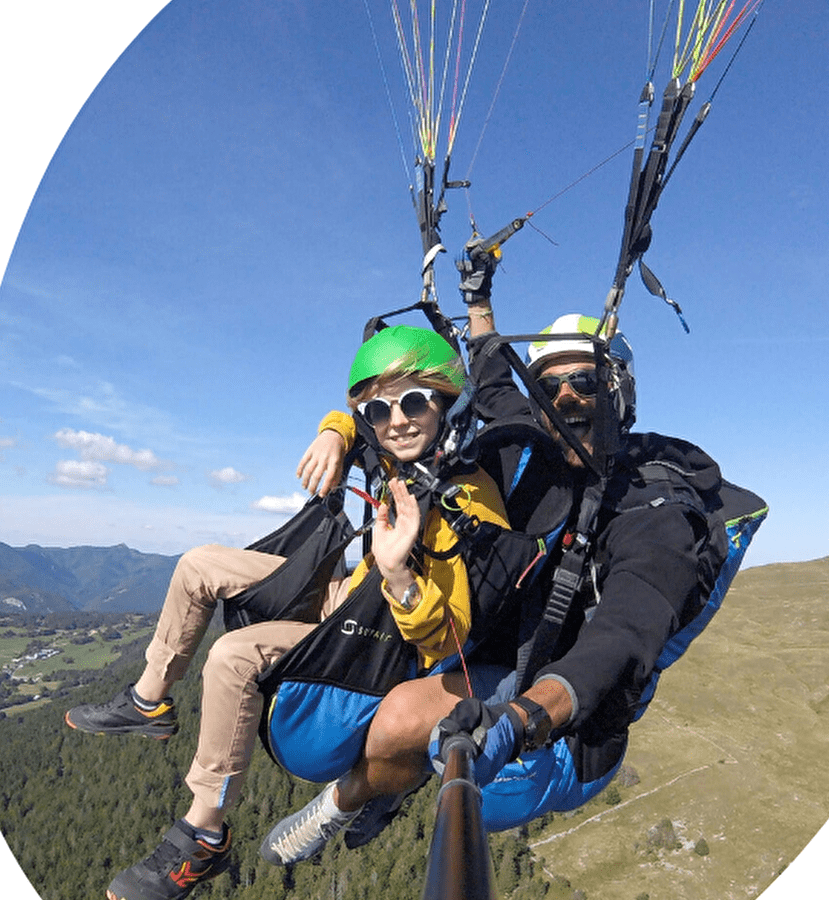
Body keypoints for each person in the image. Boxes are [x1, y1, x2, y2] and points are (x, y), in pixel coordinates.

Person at [259, 268, 756, 862]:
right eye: (551, 388)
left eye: (586, 382)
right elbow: (494, 375)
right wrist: (479, 300)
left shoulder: (654, 514)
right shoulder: (539, 450)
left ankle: (345, 802)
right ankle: (400, 771)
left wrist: (522, 720)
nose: (567, 398)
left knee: (399, 726)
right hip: (501, 646)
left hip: (568, 715)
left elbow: (626, 634)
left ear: (620, 394)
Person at [64, 324, 509, 900]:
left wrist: (399, 575)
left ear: (449, 405)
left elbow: (447, 642)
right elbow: (356, 421)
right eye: (380, 409)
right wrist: (335, 430)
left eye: (415, 402)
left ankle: (203, 834)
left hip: (378, 635)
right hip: (351, 595)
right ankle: (149, 701)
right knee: (200, 564)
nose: (396, 420)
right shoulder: (398, 451)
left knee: (231, 657)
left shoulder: (465, 501)